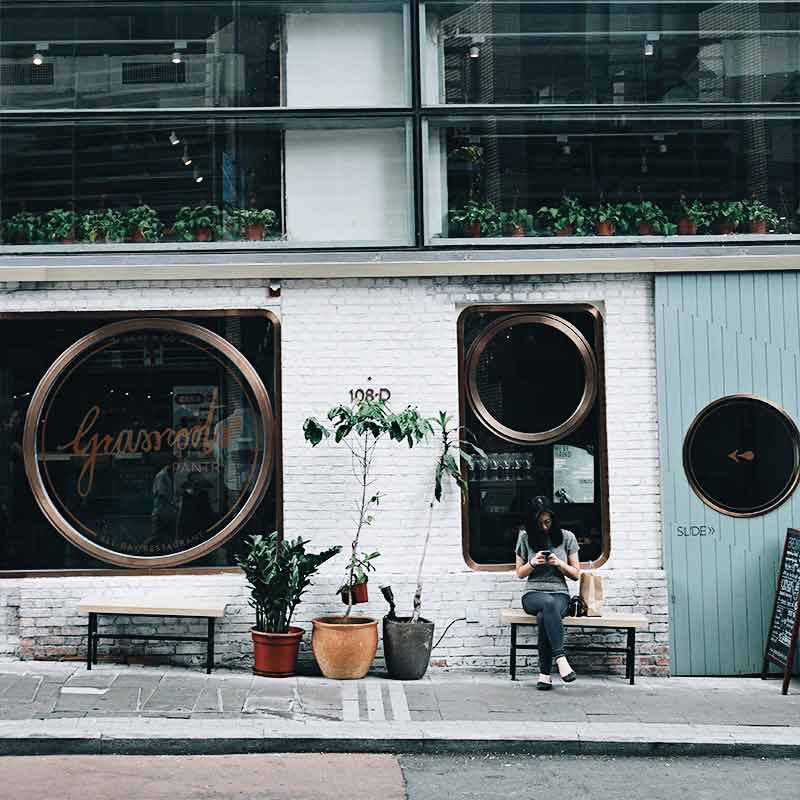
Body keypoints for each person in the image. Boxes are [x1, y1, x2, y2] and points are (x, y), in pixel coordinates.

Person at [515, 501, 581, 690]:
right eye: (540, 524)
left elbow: (576, 574)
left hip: (560, 593)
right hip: (533, 593)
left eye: (548, 522)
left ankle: (544, 674)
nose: (544, 527)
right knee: (546, 604)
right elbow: (519, 573)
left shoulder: (567, 537)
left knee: (546, 613)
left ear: (553, 520)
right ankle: (560, 658)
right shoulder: (525, 538)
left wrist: (559, 563)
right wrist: (533, 563)